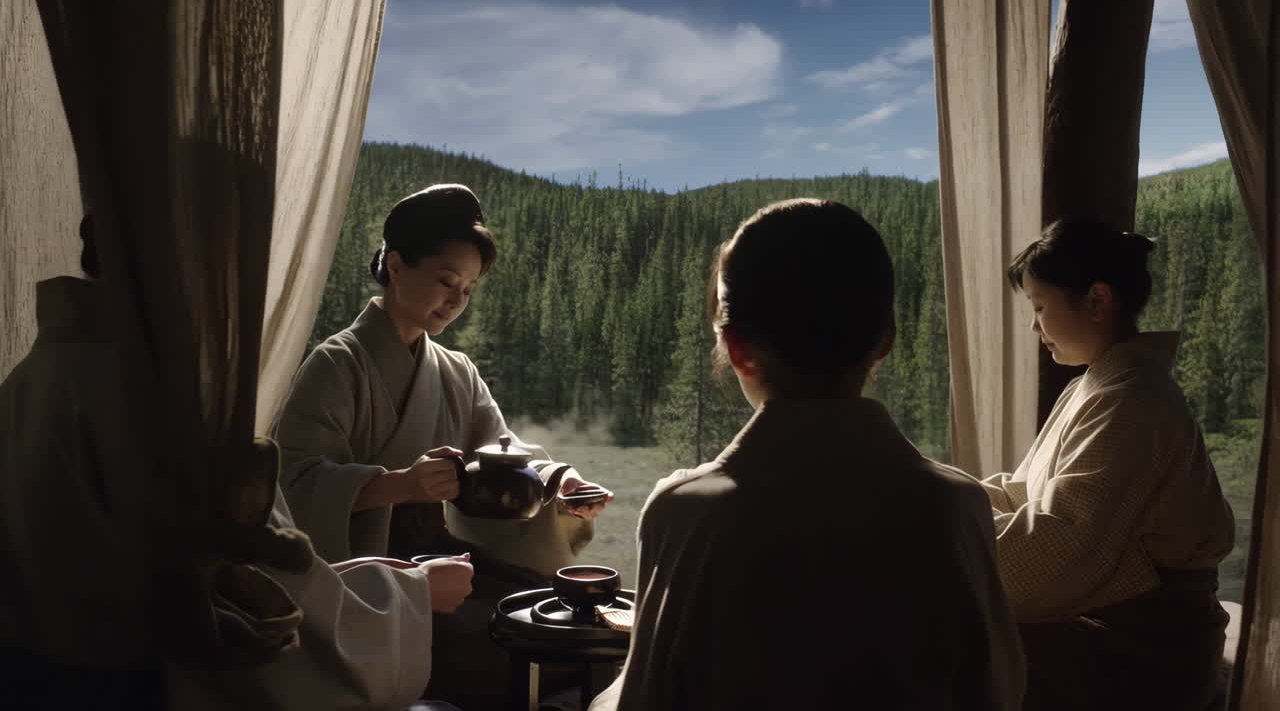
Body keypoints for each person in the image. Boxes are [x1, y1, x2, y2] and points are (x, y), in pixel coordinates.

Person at [0, 216, 474, 710]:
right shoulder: (164, 408)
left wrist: (352, 574)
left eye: (469, 288)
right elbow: (273, 618)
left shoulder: (32, 381)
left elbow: (235, 567)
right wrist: (414, 593)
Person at [591, 199, 1025, 710]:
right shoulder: (957, 506)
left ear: (736, 349)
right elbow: (997, 691)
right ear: (884, 340)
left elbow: (646, 701)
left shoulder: (687, 512)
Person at [273, 183, 611, 707]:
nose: (457, 300)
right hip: (370, 579)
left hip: (445, 556)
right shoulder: (335, 364)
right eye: (447, 281)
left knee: (554, 620)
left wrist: (560, 482)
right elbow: (292, 484)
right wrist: (397, 485)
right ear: (397, 265)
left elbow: (502, 450)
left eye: (470, 290)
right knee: (499, 646)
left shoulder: (456, 370)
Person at [984, 217, 1236, 710]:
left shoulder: (1135, 399)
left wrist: (948, 525)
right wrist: (946, 495)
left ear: (1097, 300)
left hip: (1143, 651)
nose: (1035, 327)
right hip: (1120, 631)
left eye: (1039, 308)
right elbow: (1027, 493)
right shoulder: (1096, 386)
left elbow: (1060, 546)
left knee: (946, 647)